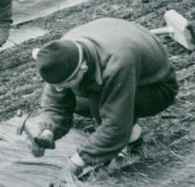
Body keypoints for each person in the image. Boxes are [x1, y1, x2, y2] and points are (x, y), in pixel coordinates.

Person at [23, 18, 179, 176]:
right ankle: (115, 137)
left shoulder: (117, 62)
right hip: (116, 52)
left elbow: (115, 125)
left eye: (65, 82)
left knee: (102, 105)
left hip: (156, 87)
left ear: (83, 68)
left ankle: (132, 142)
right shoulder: (63, 53)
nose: (58, 89)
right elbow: (55, 105)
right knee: (81, 100)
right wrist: (47, 132)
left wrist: (77, 161)